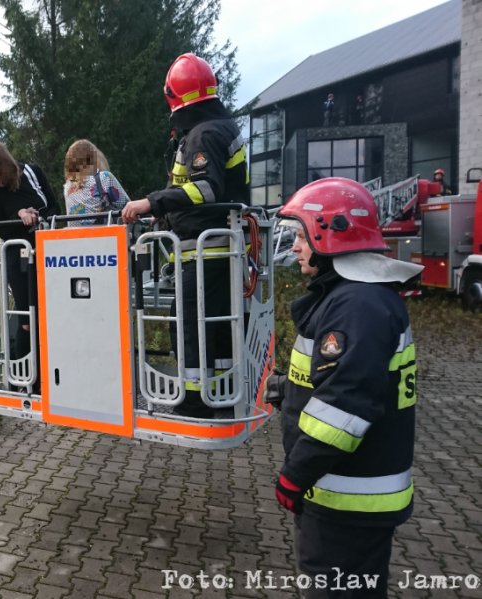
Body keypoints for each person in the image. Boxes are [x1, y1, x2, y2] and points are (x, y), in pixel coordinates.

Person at [270, 177, 422, 598]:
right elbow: (346, 378)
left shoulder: (357, 305)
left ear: (330, 234)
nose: (296, 247)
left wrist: (294, 476)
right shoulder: (354, 297)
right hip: (345, 496)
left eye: (301, 236)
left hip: (348, 502)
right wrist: (288, 388)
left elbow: (345, 407)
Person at [121, 53, 249, 418]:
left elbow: (206, 190)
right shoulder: (216, 128)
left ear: (176, 98)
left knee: (191, 325)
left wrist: (151, 203)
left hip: (205, 252)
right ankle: (222, 391)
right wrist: (164, 215)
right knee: (219, 326)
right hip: (218, 249)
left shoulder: (204, 134)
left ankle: (194, 400)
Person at [0, 141, 59, 362]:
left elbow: (54, 207)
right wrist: (20, 216)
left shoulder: (32, 172)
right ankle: (22, 375)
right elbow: (1, 228)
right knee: (27, 319)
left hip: (47, 253)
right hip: (19, 258)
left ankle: (49, 371)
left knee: (51, 314)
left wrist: (39, 218)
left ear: (6, 166)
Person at [63, 139, 130, 226]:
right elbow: (128, 206)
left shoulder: (67, 187)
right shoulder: (104, 178)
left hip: (78, 238)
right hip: (105, 237)